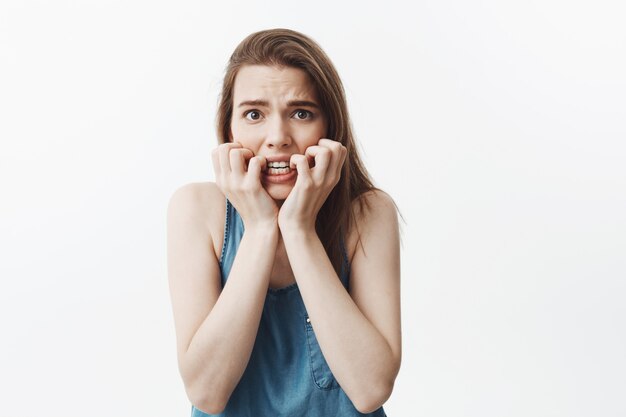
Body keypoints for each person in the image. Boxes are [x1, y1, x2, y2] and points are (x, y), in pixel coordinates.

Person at [167, 28, 402, 417]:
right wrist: (260, 228)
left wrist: (298, 228)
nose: (277, 138)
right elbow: (207, 392)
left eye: (301, 113)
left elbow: (370, 388)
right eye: (254, 114)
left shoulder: (368, 213)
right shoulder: (196, 208)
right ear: (230, 129)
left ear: (330, 129)